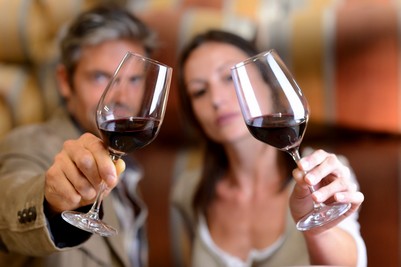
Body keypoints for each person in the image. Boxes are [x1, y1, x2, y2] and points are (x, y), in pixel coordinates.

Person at [171, 29, 367, 267]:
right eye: (199, 91)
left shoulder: (323, 172)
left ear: (268, 82)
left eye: (230, 78)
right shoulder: (188, 191)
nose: (216, 99)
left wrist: (318, 232)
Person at [0, 5, 157, 267]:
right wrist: (50, 202)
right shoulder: (28, 143)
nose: (120, 96)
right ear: (64, 81)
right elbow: (8, 205)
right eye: (100, 77)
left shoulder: (128, 163)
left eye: (133, 80)